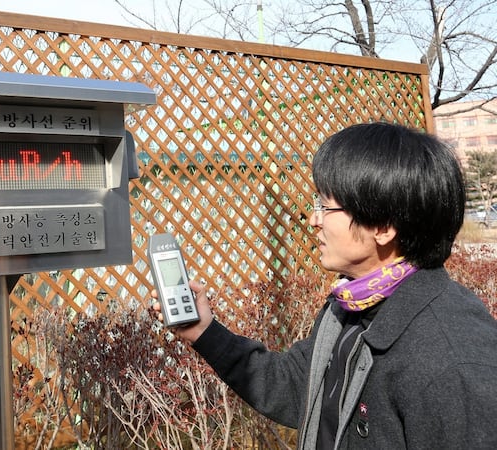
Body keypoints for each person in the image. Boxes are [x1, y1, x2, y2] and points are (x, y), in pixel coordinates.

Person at [153, 122, 497, 449]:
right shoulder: (351, 307)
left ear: (383, 227)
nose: (314, 219)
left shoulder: (453, 361)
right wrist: (204, 330)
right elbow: (293, 387)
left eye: (326, 206)